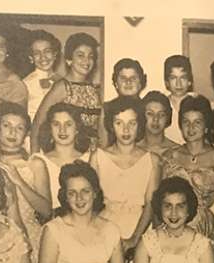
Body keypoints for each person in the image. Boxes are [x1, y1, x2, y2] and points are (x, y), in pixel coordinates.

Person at [36, 161, 127, 263]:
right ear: (65, 196)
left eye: (85, 191)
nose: (79, 198)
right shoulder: (53, 230)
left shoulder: (111, 229)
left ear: (95, 193)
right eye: (72, 193)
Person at [92, 96, 161, 254]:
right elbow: (93, 203)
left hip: (140, 229)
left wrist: (135, 239)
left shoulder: (152, 160)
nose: (126, 130)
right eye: (119, 123)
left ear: (140, 125)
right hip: (104, 227)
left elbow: (151, 205)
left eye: (132, 123)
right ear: (110, 125)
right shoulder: (98, 157)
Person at [162, 95, 214, 243]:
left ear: (206, 126)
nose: (191, 127)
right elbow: (159, 198)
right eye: (186, 122)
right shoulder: (170, 156)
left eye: (197, 122)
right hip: (171, 225)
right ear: (180, 125)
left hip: (204, 228)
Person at [0, 102, 53, 263]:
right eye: (7, 126)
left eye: (19, 128)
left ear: (26, 133)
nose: (12, 132)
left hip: (29, 237)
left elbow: (46, 210)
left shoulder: (35, 164)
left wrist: (18, 181)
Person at [30, 33, 101, 153]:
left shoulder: (93, 89)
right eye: (80, 55)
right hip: (65, 154)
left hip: (91, 154)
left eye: (90, 56)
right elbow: (37, 125)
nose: (86, 61)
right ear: (69, 59)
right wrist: (35, 159)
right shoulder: (62, 87)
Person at [34, 102, 92, 208]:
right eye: (56, 124)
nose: (62, 130)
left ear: (77, 129)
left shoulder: (90, 159)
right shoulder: (40, 161)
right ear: (50, 129)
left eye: (68, 124)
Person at [98, 58, 148, 147]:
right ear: (116, 83)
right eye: (123, 78)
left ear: (141, 82)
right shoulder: (107, 109)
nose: (128, 82)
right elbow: (103, 145)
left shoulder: (148, 109)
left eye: (133, 78)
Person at [23, 30, 62, 125]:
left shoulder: (62, 81)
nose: (43, 57)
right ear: (31, 58)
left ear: (55, 54)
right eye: (37, 53)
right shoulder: (25, 84)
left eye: (47, 51)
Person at [163, 55, 196, 145]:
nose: (178, 83)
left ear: (189, 81)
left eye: (183, 78)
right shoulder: (162, 105)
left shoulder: (198, 103)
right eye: (173, 78)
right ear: (167, 82)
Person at [138, 90, 181, 155]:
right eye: (150, 114)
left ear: (167, 117)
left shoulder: (178, 151)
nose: (156, 119)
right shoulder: (133, 150)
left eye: (161, 115)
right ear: (142, 115)